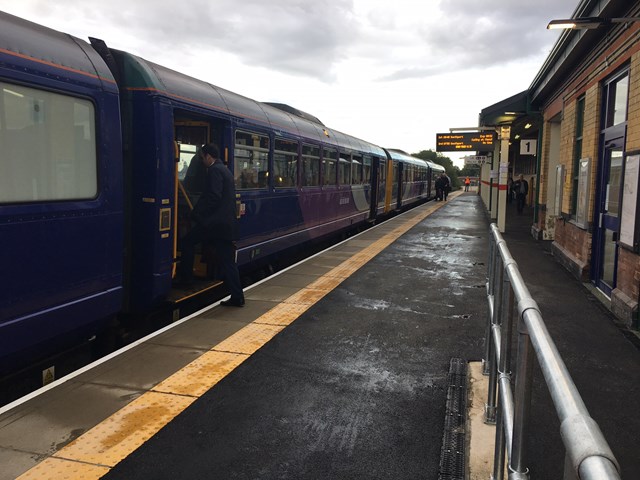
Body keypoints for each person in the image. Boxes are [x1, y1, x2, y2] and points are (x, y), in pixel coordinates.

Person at [176, 143, 245, 307]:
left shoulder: (214, 171)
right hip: (224, 225)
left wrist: (197, 213)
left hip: (214, 225)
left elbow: (213, 197)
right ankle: (238, 296)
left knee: (187, 242)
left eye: (202, 158)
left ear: (208, 156)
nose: (202, 161)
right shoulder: (225, 170)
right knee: (228, 262)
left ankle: (186, 279)